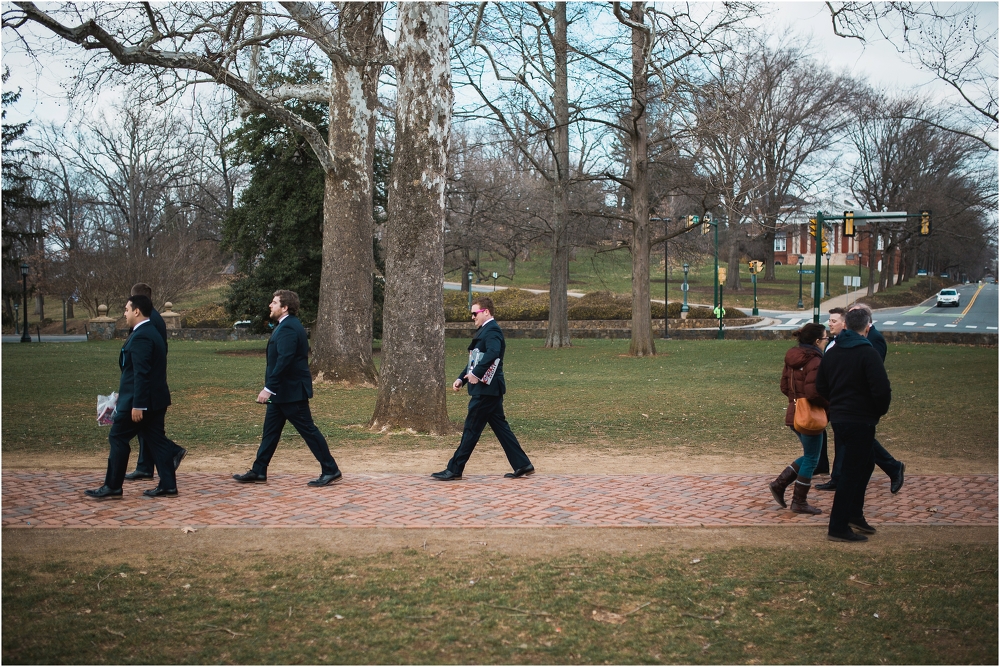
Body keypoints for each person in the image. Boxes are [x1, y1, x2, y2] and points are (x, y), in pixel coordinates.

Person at [233, 290, 342, 487]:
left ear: (285, 308)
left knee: (308, 430)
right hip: (282, 393)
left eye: (274, 302)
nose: (270, 305)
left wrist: (268, 388)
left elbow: (285, 361)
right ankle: (259, 470)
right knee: (270, 432)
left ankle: (330, 469)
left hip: (291, 392)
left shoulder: (289, 328)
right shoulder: (284, 326)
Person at [85, 294, 184, 499]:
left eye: (127, 309)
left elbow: (142, 372)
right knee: (155, 440)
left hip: (142, 402)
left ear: (137, 311)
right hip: (153, 399)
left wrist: (138, 404)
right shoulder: (148, 332)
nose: (125, 313)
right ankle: (168, 484)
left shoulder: (142, 336)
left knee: (118, 437)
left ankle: (112, 486)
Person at [432, 296, 533, 481]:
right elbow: (475, 360)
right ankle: (522, 464)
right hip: (489, 390)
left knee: (471, 429)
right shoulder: (485, 330)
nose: (472, 317)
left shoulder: (492, 331)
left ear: (486, 312)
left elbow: (493, 354)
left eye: (475, 313)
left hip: (486, 390)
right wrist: (461, 379)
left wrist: (476, 374)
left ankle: (454, 469)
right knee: (501, 429)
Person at [816, 308, 892, 542]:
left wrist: (838, 403)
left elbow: (822, 386)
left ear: (846, 325)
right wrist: (874, 411)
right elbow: (881, 390)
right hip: (859, 419)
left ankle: (854, 514)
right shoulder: (867, 353)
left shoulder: (833, 351)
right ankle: (838, 526)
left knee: (866, 464)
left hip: (840, 417)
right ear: (867, 327)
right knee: (851, 471)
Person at [816, 304, 905, 495]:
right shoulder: (838, 342)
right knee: (845, 441)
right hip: (842, 402)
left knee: (862, 443)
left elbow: (875, 374)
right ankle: (838, 477)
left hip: (859, 405)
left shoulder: (874, 340)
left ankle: (893, 467)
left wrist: (873, 408)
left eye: (834, 321)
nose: (830, 324)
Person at [123, 283, 183, 480]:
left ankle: (166, 455)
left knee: (148, 432)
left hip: (150, 386)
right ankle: (148, 467)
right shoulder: (154, 319)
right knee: (148, 431)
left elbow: (148, 357)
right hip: (151, 385)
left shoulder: (149, 323)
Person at [769, 323, 828, 514]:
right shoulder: (816, 361)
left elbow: (784, 387)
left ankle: (780, 484)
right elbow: (813, 392)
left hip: (794, 412)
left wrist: (795, 400)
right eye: (826, 338)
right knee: (812, 458)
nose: (827, 342)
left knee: (809, 455)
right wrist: (829, 404)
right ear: (817, 341)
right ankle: (798, 500)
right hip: (810, 415)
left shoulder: (792, 357)